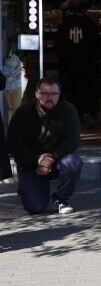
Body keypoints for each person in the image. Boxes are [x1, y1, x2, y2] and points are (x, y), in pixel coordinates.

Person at [7, 77, 82, 214]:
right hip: (30, 163)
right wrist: (38, 160)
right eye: (45, 94)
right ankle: (26, 187)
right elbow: (13, 144)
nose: (50, 98)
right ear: (37, 94)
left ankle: (61, 199)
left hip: (58, 159)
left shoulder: (68, 109)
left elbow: (73, 140)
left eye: (54, 94)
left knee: (74, 162)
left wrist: (49, 159)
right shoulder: (23, 112)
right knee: (35, 207)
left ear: (59, 94)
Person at [55, 0, 101, 126]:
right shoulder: (90, 24)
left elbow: (58, 45)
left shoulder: (64, 24)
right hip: (88, 64)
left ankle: (74, 115)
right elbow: (97, 45)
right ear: (84, 9)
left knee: (72, 90)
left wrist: (62, 62)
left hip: (69, 64)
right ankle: (91, 113)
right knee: (89, 89)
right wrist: (100, 61)